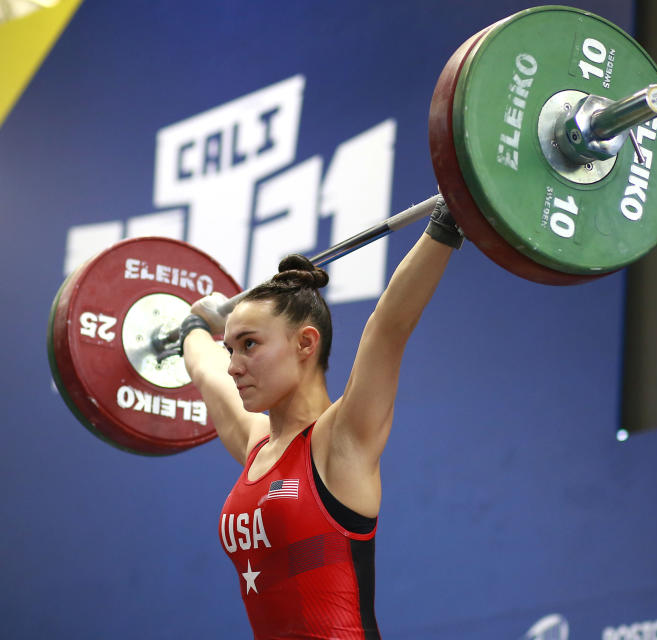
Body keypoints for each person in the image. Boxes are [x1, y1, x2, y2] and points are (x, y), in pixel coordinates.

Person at [179, 197, 463, 639]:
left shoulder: (340, 440)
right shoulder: (257, 443)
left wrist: (449, 221)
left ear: (305, 344)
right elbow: (205, 370)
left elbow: (388, 325)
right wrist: (192, 328)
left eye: (249, 344)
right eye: (229, 348)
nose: (234, 365)